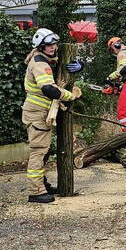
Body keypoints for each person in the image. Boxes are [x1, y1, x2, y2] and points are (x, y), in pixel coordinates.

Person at [22, 29, 78, 204]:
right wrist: (70, 95)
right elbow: (49, 89)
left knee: (43, 151)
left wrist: (78, 66)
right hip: (37, 113)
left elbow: (58, 64)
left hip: (40, 113)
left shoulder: (42, 59)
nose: (53, 47)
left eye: (54, 44)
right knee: (38, 152)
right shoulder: (40, 63)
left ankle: (41, 184)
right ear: (41, 46)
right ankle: (36, 191)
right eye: (49, 45)